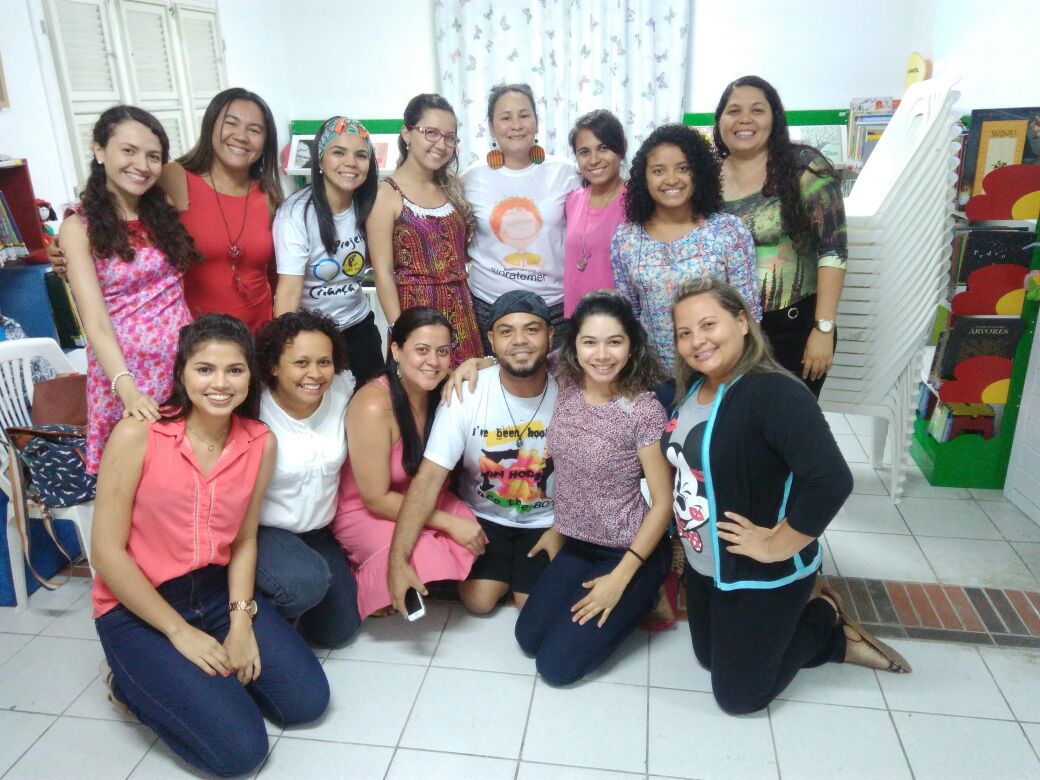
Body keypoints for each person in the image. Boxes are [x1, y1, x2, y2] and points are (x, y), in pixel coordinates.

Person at [91, 314, 329, 776]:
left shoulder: (259, 442)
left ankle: (205, 686)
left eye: (234, 370)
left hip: (216, 593)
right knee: (241, 753)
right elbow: (106, 554)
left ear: (250, 377)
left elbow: (244, 539)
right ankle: (127, 684)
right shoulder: (138, 434)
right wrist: (178, 632)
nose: (220, 383)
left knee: (306, 703)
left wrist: (240, 623)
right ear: (182, 374)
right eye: (205, 369)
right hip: (138, 607)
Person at [663, 276, 909, 717]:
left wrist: (776, 545)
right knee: (707, 657)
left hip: (758, 568)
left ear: (742, 322)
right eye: (685, 332)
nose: (697, 340)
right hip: (707, 566)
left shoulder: (772, 391)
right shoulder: (694, 390)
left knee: (739, 697)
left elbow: (831, 479)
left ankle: (825, 621)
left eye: (708, 325)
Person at [514, 291, 672, 685]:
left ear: (631, 346)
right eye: (590, 342)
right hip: (578, 543)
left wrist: (620, 579)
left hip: (628, 550)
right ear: (574, 346)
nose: (602, 355)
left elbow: (663, 503)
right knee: (527, 637)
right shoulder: (567, 378)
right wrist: (475, 365)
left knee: (555, 668)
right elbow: (520, 358)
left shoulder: (642, 410)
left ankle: (644, 595)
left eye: (614, 342)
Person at [53, 88, 284, 332]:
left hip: (259, 333)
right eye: (231, 123)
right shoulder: (174, 178)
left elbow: (278, 274)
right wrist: (65, 246)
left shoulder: (269, 195)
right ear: (211, 126)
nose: (241, 136)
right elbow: (114, 210)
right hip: (194, 339)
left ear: (266, 141)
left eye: (254, 130)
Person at [388, 290, 559, 616]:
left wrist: (562, 529)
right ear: (491, 339)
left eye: (532, 329)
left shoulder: (569, 391)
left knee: (531, 604)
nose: (519, 340)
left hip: (546, 518)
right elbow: (428, 479)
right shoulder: (467, 392)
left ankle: (520, 578)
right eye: (507, 331)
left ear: (550, 335)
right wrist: (398, 562)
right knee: (479, 601)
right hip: (484, 516)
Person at [62, 105, 201, 473]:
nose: (142, 165)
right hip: (127, 376)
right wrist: (127, 389)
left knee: (190, 476)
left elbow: (183, 169)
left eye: (153, 156)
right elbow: (94, 322)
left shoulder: (164, 209)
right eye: (128, 150)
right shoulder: (79, 227)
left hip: (183, 367)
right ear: (99, 150)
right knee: (137, 481)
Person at [333, 307, 480, 618]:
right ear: (396, 351)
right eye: (422, 350)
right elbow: (375, 499)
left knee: (475, 531)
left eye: (443, 352)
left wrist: (478, 362)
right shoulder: (374, 403)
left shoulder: (442, 386)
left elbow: (495, 369)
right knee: (425, 551)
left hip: (424, 496)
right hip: (370, 508)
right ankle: (358, 575)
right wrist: (447, 522)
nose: (433, 362)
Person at [714, 75, 848, 398]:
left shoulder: (805, 167)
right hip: (729, 330)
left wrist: (823, 328)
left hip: (794, 327)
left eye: (757, 110)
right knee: (736, 420)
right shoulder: (707, 176)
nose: (745, 119)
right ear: (719, 120)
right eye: (734, 111)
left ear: (774, 118)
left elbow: (833, 250)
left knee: (789, 420)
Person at [611, 123, 761, 408]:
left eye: (683, 168)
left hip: (720, 377)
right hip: (654, 382)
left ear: (699, 172)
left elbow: (749, 313)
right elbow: (629, 315)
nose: (671, 179)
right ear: (644, 178)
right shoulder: (626, 238)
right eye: (658, 171)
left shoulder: (728, 231)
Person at [252, 310, 361, 647]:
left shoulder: (343, 388)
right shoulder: (253, 407)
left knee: (339, 632)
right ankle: (252, 616)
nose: (315, 374)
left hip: (318, 533)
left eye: (324, 362)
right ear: (274, 365)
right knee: (303, 584)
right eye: (301, 363)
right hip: (264, 532)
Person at [367, 94, 483, 367]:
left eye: (450, 137)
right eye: (431, 133)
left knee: (466, 386)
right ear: (407, 133)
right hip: (415, 314)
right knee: (422, 387)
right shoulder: (386, 194)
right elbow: (383, 273)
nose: (441, 145)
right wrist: (401, 332)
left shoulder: (453, 187)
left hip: (462, 313)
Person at [464, 83, 581, 350]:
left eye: (524, 115)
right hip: (488, 306)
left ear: (536, 123)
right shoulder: (471, 178)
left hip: (553, 306)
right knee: (493, 374)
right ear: (491, 127)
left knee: (556, 376)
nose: (516, 125)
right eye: (505, 117)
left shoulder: (565, 172)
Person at [273, 116, 384, 383]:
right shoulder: (296, 214)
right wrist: (283, 351)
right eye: (338, 152)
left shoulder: (369, 204)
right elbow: (288, 292)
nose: (351, 163)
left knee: (376, 398)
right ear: (320, 160)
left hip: (359, 328)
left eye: (361, 155)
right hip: (312, 335)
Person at [563, 110, 628, 318]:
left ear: (622, 148)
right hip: (577, 319)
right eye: (584, 152)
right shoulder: (572, 200)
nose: (594, 160)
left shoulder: (636, 200)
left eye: (603, 148)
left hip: (618, 319)